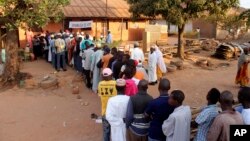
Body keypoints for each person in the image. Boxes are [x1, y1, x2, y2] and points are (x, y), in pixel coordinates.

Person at [98, 68, 117, 141]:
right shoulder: (115, 83)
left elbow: (100, 95)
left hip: (104, 112)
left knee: (106, 131)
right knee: (114, 131)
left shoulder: (100, 84)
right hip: (114, 112)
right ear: (111, 75)